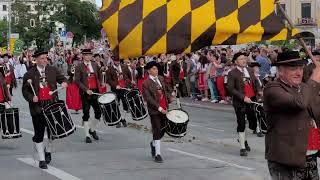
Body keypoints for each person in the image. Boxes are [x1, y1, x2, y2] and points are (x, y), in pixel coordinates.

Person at [264, 51, 320, 180]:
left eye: (300, 68)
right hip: (286, 160)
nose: (299, 73)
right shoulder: (273, 89)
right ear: (280, 71)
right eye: (293, 69)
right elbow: (299, 103)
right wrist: (314, 80)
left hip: (309, 156)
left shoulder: (304, 89)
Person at [22, 50, 68, 169]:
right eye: (42, 58)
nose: (44, 60)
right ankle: (42, 160)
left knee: (52, 132)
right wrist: (32, 98)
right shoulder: (29, 73)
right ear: (36, 60)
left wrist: (64, 83)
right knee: (39, 133)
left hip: (52, 105)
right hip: (37, 107)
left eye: (46, 58)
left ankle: (48, 150)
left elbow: (63, 79)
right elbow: (25, 91)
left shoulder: (52, 70)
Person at [226, 52, 262, 157]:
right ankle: (242, 146)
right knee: (241, 124)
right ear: (236, 61)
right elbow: (230, 88)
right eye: (241, 59)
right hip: (240, 102)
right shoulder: (232, 73)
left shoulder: (250, 70)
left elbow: (256, 82)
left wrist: (259, 91)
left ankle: (243, 138)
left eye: (244, 59)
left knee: (253, 124)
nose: (244, 60)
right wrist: (243, 97)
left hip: (251, 100)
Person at [142, 61, 173, 163]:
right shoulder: (145, 83)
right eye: (154, 69)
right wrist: (160, 109)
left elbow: (165, 90)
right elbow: (149, 99)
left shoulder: (160, 78)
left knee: (164, 129)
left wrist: (170, 97)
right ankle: (158, 154)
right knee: (157, 129)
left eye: (157, 69)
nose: (156, 70)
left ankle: (153, 143)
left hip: (165, 108)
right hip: (155, 111)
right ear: (149, 70)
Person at [75, 49, 103, 143]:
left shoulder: (95, 64)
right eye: (86, 55)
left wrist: (101, 83)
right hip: (85, 92)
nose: (88, 57)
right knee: (86, 113)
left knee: (98, 113)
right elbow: (77, 81)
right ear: (83, 56)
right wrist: (86, 90)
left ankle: (92, 129)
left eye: (89, 55)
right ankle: (87, 135)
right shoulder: (79, 66)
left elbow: (99, 76)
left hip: (95, 92)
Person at [106, 57, 131, 128]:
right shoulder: (110, 69)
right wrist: (115, 85)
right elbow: (108, 80)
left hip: (124, 88)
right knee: (116, 104)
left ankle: (122, 119)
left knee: (126, 105)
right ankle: (117, 120)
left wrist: (128, 82)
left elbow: (129, 76)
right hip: (115, 89)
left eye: (118, 61)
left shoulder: (124, 67)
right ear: (113, 61)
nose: (117, 62)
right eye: (116, 61)